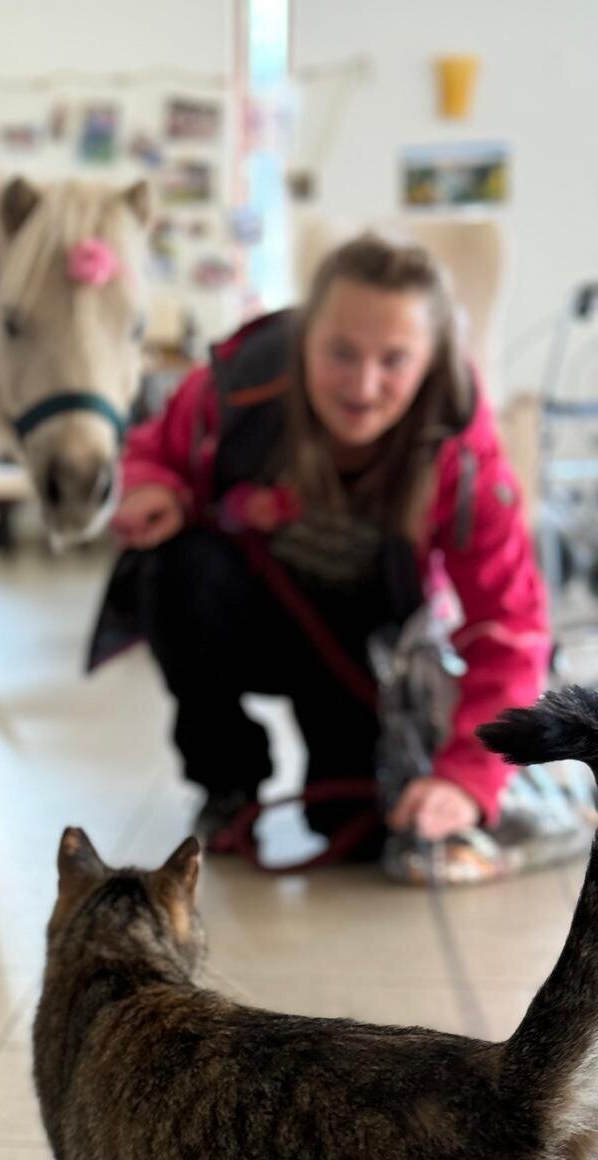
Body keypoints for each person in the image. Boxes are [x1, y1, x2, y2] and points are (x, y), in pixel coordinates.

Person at [89, 232, 553, 869]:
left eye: (395, 360)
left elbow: (509, 624)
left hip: (364, 649)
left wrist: (469, 777)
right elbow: (152, 448)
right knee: (170, 568)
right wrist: (153, 486)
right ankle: (226, 783)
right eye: (341, 353)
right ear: (303, 337)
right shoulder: (239, 383)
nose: (363, 386)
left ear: (431, 360)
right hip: (240, 611)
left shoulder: (463, 449)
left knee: (358, 834)